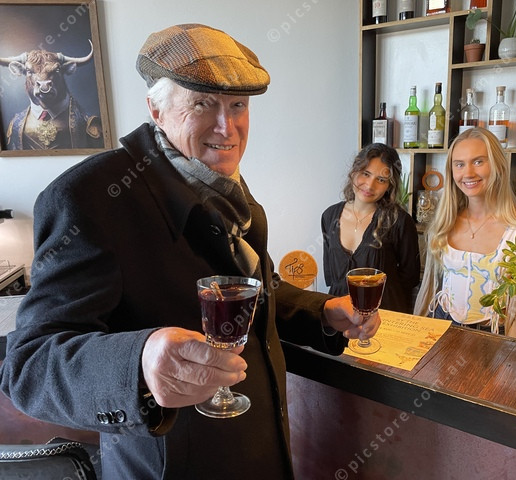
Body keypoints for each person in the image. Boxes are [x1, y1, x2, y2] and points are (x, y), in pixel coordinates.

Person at [0, 24, 380, 480]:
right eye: (202, 104)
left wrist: (322, 313)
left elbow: (249, 294)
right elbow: (29, 366)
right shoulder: (89, 198)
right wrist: (138, 362)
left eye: (237, 106)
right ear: (156, 109)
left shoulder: (226, 186)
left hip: (261, 455)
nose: (227, 127)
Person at [413, 127, 516, 340]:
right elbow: (429, 289)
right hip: (442, 327)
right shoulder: (445, 222)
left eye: (478, 162)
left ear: (498, 165)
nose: (468, 173)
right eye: (459, 164)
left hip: (495, 336)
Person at [321, 143, 420, 314]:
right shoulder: (329, 216)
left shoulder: (400, 221)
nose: (369, 185)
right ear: (354, 172)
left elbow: (409, 279)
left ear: (390, 185)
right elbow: (331, 276)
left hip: (384, 317)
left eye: (381, 180)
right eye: (365, 174)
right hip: (339, 317)